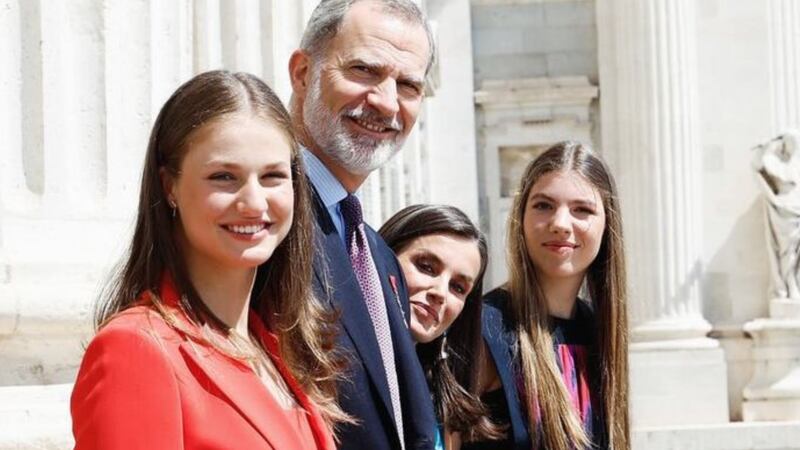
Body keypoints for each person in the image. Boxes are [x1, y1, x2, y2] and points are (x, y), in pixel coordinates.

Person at [71, 70, 345, 450]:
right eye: (223, 177)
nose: (253, 203)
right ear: (170, 187)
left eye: (273, 176)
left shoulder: (283, 347)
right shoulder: (136, 350)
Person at [284, 0, 438, 448]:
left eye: (408, 85)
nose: (386, 103)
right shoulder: (260, 227)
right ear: (302, 73)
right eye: (364, 71)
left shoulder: (379, 253)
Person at [471, 141, 630, 450]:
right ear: (521, 217)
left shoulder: (598, 330)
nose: (560, 224)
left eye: (582, 209)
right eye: (543, 205)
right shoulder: (483, 328)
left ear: (606, 225)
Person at [379, 204, 505, 450]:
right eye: (426, 267)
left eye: (458, 287)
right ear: (386, 254)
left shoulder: (448, 403)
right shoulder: (335, 365)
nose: (440, 293)